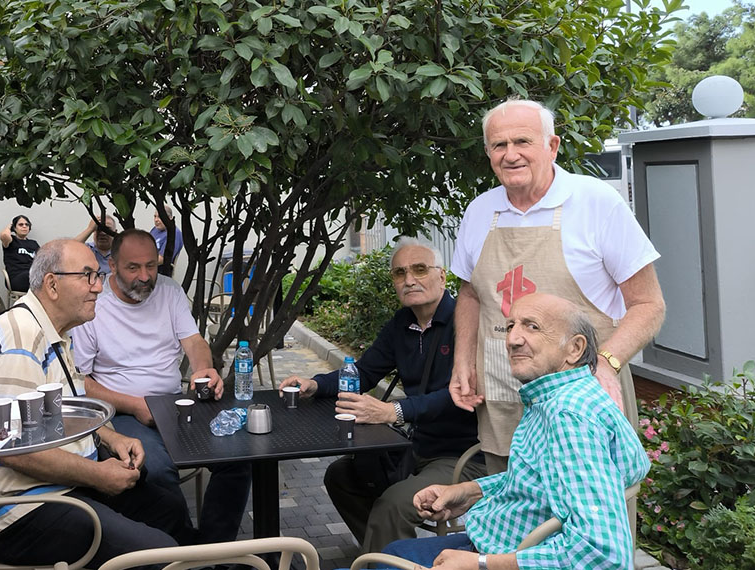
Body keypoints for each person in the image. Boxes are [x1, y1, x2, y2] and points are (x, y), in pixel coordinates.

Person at [448, 99, 665, 473]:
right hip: (505, 396)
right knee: (512, 515)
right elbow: (469, 294)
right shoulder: (480, 211)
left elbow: (649, 305)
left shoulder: (596, 202)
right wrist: (463, 360)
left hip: (585, 400)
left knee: (589, 521)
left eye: (523, 142)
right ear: (488, 153)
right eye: (499, 145)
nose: (511, 154)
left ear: (552, 146)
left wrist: (606, 365)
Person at [382, 293, 650, 569]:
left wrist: (481, 563)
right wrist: (469, 491)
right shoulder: (559, 396)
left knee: (385, 561)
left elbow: (602, 553)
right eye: (511, 327)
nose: (512, 340)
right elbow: (539, 482)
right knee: (395, 550)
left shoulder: (569, 416)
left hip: (505, 555)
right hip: (499, 541)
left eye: (532, 326)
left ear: (574, 349)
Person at [0, 239, 191, 566]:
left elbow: (70, 411)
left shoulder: (55, 331)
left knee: (167, 509)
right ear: (52, 284)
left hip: (61, 489)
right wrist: (99, 475)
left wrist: (113, 437)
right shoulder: (22, 336)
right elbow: (17, 450)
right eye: (88, 276)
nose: (98, 287)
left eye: (98, 276)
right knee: (158, 552)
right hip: (21, 513)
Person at [279, 240, 484, 554]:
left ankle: (385, 555)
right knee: (340, 476)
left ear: (442, 277)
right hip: (413, 447)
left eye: (420, 269)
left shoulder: (465, 322)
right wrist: (315, 384)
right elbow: (363, 373)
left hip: (461, 455)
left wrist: (393, 412)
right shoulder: (402, 324)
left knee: (392, 505)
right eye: (400, 273)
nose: (409, 279)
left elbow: (458, 397)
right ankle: (386, 555)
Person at [70, 229, 251, 544]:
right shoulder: (94, 305)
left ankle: (213, 549)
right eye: (133, 267)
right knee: (154, 468)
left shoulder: (169, 291)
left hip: (174, 404)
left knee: (236, 457)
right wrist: (136, 405)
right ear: (111, 265)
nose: (144, 276)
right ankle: (180, 552)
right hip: (122, 413)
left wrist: (204, 369)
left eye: (151, 266)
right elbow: (80, 382)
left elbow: (193, 341)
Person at [0, 214, 39, 292]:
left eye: (26, 225)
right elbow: (4, 235)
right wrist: (9, 226)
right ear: (14, 228)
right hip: (16, 278)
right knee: (33, 276)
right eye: (20, 224)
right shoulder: (12, 241)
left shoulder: (33, 243)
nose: (24, 226)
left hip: (32, 276)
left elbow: (42, 260)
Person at [150, 205, 184, 276]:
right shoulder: (155, 229)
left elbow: (162, 259)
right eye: (155, 216)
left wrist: (140, 261)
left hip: (159, 273)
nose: (156, 220)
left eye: (159, 217)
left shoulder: (175, 234)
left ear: (169, 218)